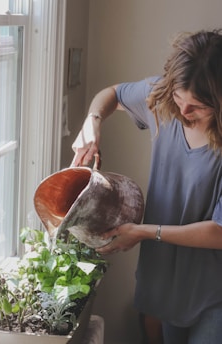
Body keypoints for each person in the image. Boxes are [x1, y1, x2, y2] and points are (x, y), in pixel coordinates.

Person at [70, 29, 222, 344]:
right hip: (164, 282)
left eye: (198, 106)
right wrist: (93, 120)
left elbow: (219, 232)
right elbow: (112, 94)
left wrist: (142, 232)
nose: (184, 112)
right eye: (180, 99)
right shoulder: (162, 99)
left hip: (213, 292)